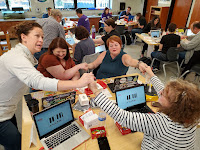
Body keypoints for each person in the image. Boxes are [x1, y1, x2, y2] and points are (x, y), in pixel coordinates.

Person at [0, 21, 94, 150]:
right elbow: (38, 81)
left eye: (42, 37)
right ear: (24, 37)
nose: (41, 40)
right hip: (1, 112)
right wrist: (78, 83)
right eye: (37, 36)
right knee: (17, 144)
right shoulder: (16, 58)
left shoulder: (25, 56)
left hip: (8, 109)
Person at [88, 66, 200, 150]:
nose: (160, 92)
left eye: (164, 94)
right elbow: (165, 92)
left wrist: (95, 90)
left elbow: (121, 115)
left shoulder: (161, 123)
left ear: (174, 107)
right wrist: (150, 74)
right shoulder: (190, 117)